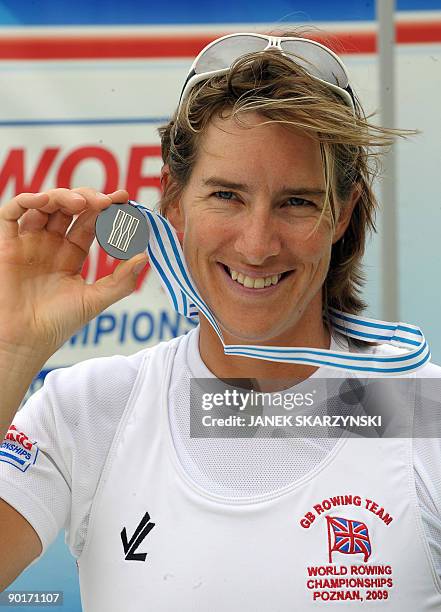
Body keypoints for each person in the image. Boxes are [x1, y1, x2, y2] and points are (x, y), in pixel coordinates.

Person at [0, 31, 440, 611]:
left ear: (343, 215)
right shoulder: (88, 411)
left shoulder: (424, 413)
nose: (257, 245)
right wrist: (10, 352)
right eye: (227, 196)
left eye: (297, 202)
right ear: (175, 202)